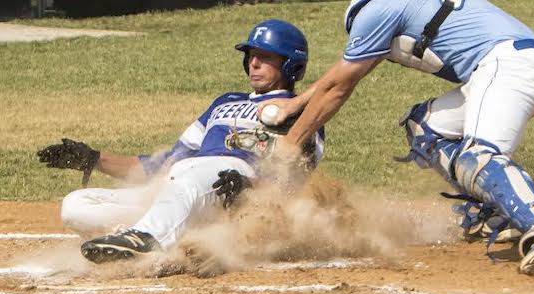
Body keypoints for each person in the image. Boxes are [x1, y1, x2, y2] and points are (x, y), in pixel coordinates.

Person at [261, 0, 534, 276]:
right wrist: (297, 103)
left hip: (505, 66)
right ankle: (499, 212)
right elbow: (340, 77)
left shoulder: (383, 2)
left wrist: (290, 144)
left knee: (478, 155)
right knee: (426, 126)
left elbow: (340, 88)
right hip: (515, 62)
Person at [37, 19, 324, 264]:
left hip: (231, 189)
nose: (254, 62)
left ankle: (148, 240)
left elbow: (294, 181)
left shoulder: (301, 114)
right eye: (250, 55)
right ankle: (168, 231)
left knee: (185, 175)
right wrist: (93, 158)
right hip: (184, 183)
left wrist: (252, 191)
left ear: (290, 66)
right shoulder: (225, 102)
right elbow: (163, 163)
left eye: (265, 56)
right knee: (76, 205)